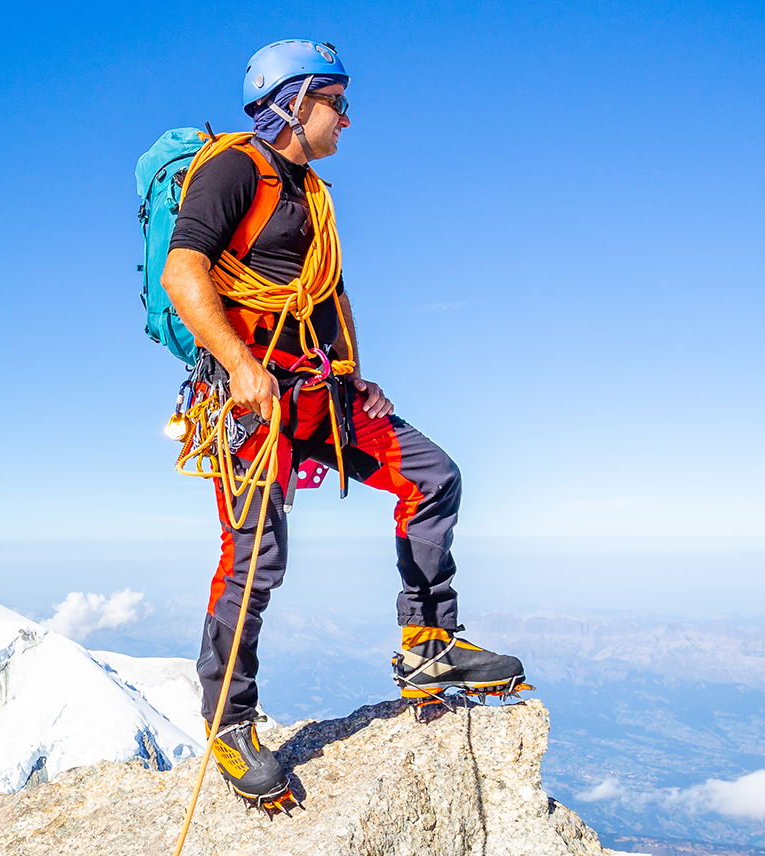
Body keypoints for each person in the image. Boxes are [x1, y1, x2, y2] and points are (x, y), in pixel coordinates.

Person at [161, 39, 528, 809]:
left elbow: (328, 292)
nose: (348, 118)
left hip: (319, 390)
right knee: (256, 555)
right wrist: (237, 363)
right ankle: (228, 723)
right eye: (337, 101)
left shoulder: (313, 193)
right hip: (251, 399)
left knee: (431, 475)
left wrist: (354, 372)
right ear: (293, 102)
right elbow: (183, 271)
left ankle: (429, 647)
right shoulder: (234, 170)